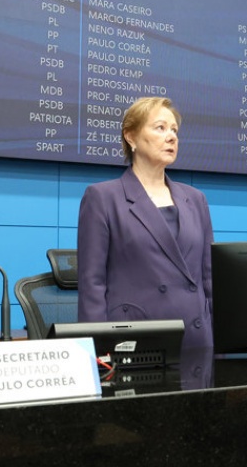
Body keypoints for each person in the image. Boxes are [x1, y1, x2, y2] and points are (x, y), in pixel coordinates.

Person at [77, 97, 214, 350]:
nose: (171, 137)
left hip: (196, 342)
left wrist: (221, 345)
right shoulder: (103, 198)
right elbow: (92, 285)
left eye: (174, 130)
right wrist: (95, 354)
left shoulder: (196, 200)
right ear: (131, 137)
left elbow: (209, 281)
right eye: (160, 128)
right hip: (137, 344)